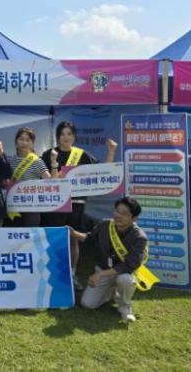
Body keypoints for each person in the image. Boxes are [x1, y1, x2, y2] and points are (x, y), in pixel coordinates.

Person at [41, 120, 118, 290]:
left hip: (76, 204)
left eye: (69, 134)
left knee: (73, 239)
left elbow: (103, 172)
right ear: (57, 137)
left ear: (74, 136)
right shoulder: (49, 154)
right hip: (55, 205)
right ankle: (51, 274)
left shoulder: (82, 155)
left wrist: (111, 151)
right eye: (62, 134)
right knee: (54, 238)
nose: (66, 137)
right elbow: (44, 181)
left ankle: (72, 274)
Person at [69, 197, 151, 322]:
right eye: (117, 211)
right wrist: (74, 233)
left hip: (121, 273)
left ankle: (124, 306)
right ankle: (110, 293)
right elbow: (90, 237)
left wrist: (99, 274)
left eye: (124, 214)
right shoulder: (105, 224)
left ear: (134, 218)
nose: (118, 215)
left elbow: (129, 265)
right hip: (104, 270)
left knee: (126, 279)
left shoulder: (139, 237)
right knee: (87, 304)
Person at [4, 127, 54, 227]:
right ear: (16, 142)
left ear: (32, 143)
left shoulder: (37, 161)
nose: (24, 143)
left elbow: (50, 181)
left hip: (31, 209)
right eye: (21, 139)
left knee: (30, 236)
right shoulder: (11, 161)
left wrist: (54, 164)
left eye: (28, 140)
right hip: (13, 207)